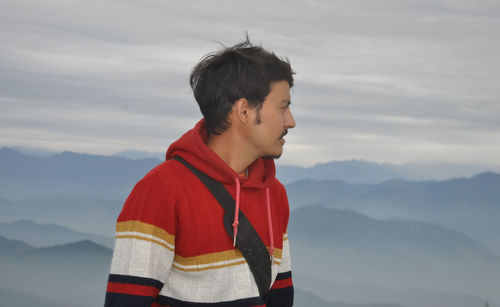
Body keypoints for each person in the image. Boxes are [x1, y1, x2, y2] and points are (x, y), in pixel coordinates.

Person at [104, 38, 296, 307]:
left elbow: (281, 297)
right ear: (243, 110)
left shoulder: (274, 193)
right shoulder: (162, 190)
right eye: (283, 107)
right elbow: (126, 301)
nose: (291, 121)